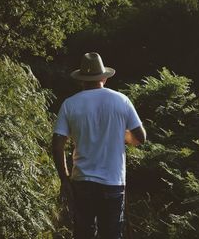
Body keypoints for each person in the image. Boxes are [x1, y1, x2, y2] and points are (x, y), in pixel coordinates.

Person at [52, 52, 146, 239]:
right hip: (113, 182)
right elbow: (140, 137)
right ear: (104, 78)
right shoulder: (121, 101)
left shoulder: (70, 104)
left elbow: (57, 145)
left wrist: (64, 179)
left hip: (82, 181)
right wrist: (121, 135)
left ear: (81, 80)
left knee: (83, 233)